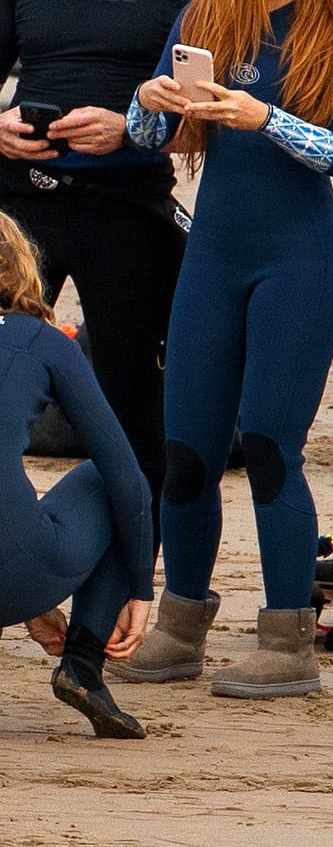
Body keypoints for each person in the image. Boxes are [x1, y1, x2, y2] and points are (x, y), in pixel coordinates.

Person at [111, 0, 333, 698]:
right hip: (214, 262)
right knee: (186, 451)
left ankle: (287, 640)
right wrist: (153, 98)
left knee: (268, 447)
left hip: (300, 267)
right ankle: (181, 622)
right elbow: (143, 137)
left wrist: (264, 116)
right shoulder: (208, 15)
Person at [0, 0, 211, 545]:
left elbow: (215, 116)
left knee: (129, 396)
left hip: (126, 208)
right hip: (20, 204)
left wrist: (132, 129)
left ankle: (135, 567)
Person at [0, 210, 153, 738]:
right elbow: (127, 477)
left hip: (19, 573)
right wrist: (139, 588)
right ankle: (84, 663)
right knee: (108, 478)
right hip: (16, 573)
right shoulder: (43, 342)